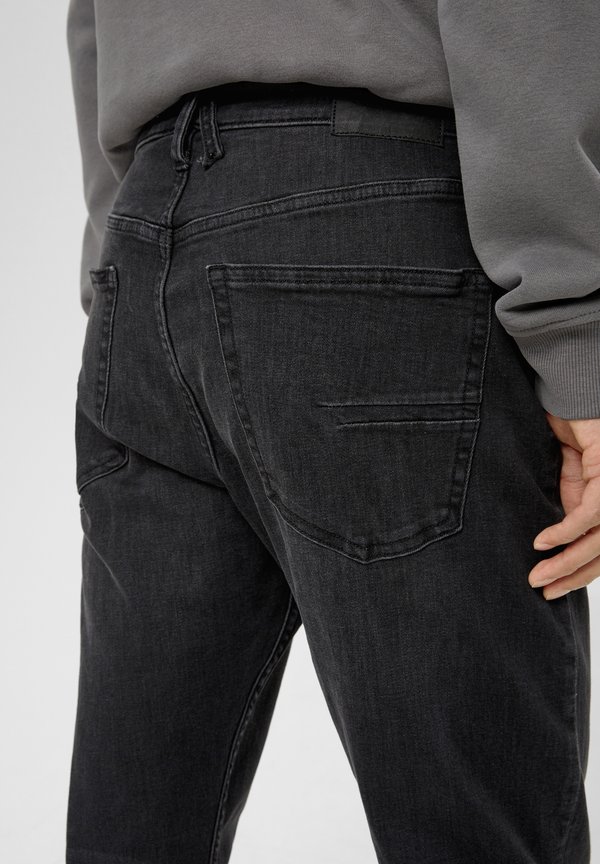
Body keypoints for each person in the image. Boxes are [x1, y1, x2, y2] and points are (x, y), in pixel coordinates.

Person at [64, 2, 600, 862]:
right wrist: (574, 331)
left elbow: (93, 22)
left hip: (144, 245)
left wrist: (116, 259)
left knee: (136, 833)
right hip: (372, 225)